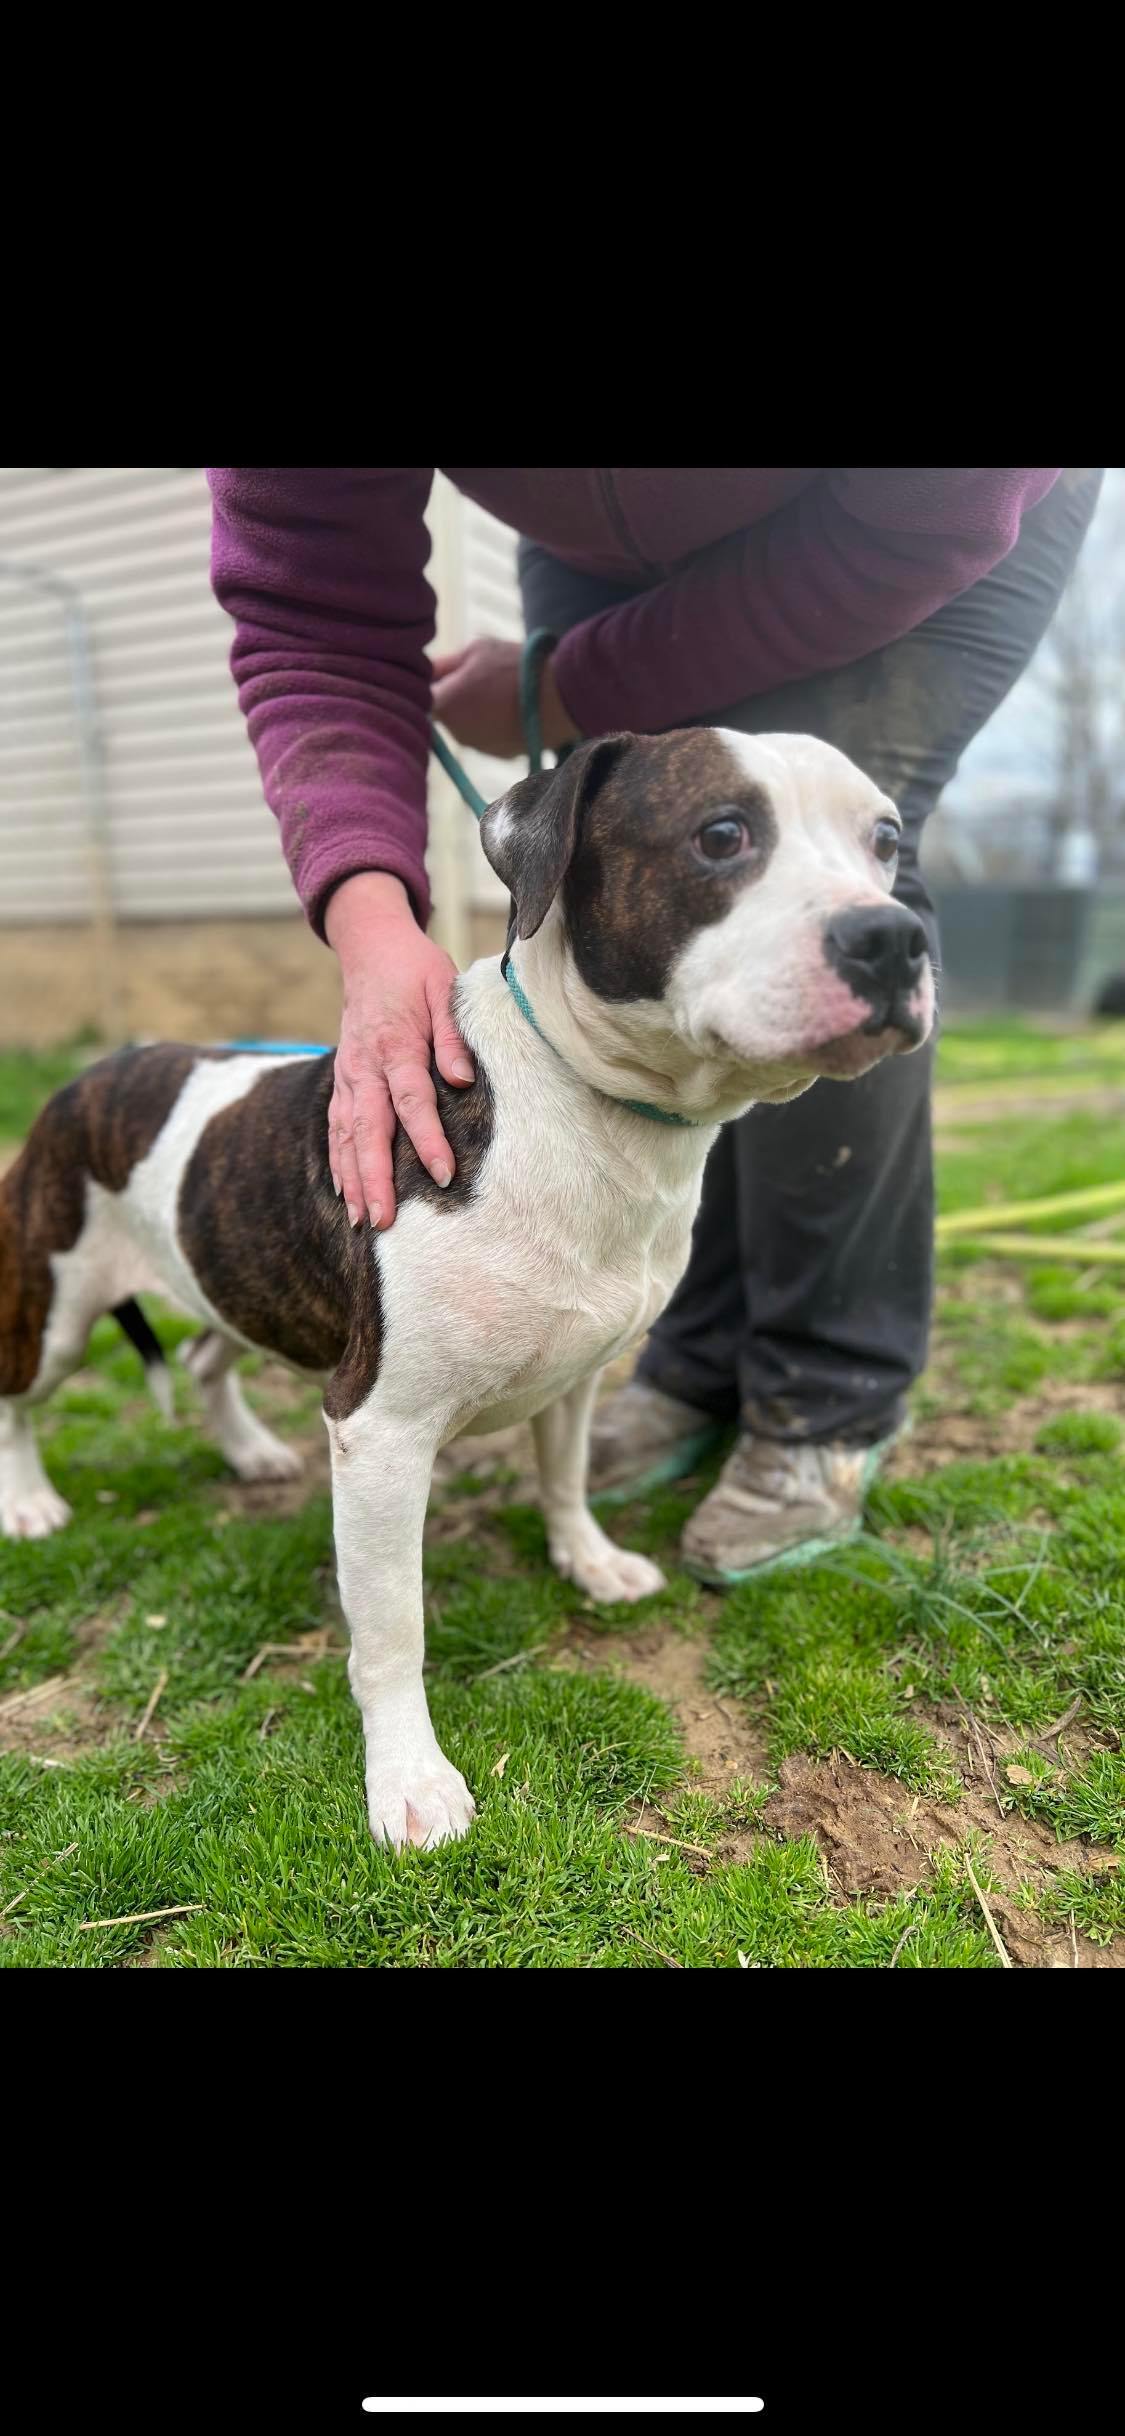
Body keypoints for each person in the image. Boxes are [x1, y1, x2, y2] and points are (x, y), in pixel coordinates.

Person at [207, 469, 1103, 1582]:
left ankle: (823, 1397)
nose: (875, 911)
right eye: (727, 845)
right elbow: (310, 607)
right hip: (595, 549)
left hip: (918, 527)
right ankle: (686, 1367)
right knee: (679, 806)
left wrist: (573, 678)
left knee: (803, 793)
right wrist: (370, 922)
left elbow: (937, 514)